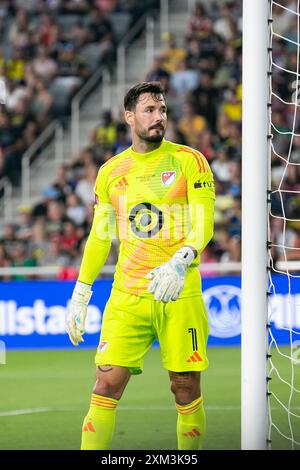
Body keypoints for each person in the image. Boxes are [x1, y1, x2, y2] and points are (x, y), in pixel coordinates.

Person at [66, 81, 215, 450]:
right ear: (129, 117)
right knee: (105, 384)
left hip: (179, 292)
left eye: (162, 110)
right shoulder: (111, 172)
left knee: (185, 386)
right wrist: (81, 293)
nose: (158, 117)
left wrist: (181, 260)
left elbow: (204, 223)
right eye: (149, 110)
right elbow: (101, 236)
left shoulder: (188, 160)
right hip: (127, 295)